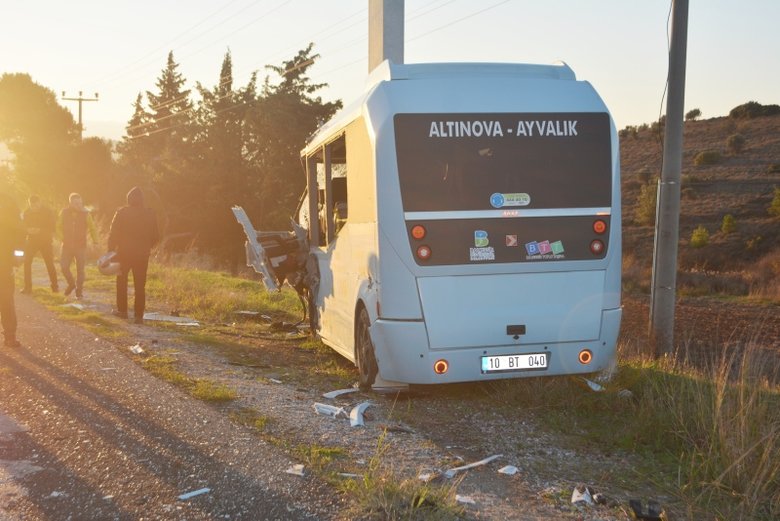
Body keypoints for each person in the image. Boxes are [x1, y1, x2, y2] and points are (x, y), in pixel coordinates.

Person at [108, 187, 159, 324]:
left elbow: (113, 234)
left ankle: (123, 311)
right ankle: (138, 316)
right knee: (140, 285)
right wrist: (147, 247)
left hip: (123, 253)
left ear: (128, 199)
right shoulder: (150, 214)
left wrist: (111, 251)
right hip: (142, 255)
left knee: (121, 282)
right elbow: (156, 236)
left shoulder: (122, 212)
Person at [57, 193, 98, 299]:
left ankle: (79, 292)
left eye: (80, 203)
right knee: (64, 267)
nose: (79, 205)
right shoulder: (63, 212)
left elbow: (93, 228)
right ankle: (71, 284)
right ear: (70, 203)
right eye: (76, 203)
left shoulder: (86, 214)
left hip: (81, 246)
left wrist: (96, 242)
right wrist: (63, 238)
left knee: (80, 270)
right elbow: (57, 227)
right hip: (66, 246)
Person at [0, 193, 25, 347]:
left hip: (5, 262)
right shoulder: (12, 211)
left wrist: (18, 257)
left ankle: (10, 335)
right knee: (6, 300)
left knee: (6, 299)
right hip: (6, 263)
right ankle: (9, 335)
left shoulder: (12, 214)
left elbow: (20, 239)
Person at [22, 194, 59, 293]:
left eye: (36, 205)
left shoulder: (48, 212)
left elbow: (52, 227)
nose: (34, 207)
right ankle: (27, 287)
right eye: (32, 205)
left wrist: (40, 230)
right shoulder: (26, 212)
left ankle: (55, 287)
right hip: (31, 241)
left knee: (49, 263)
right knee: (26, 262)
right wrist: (28, 230)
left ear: (40, 203)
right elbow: (23, 226)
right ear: (29, 204)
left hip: (45, 241)